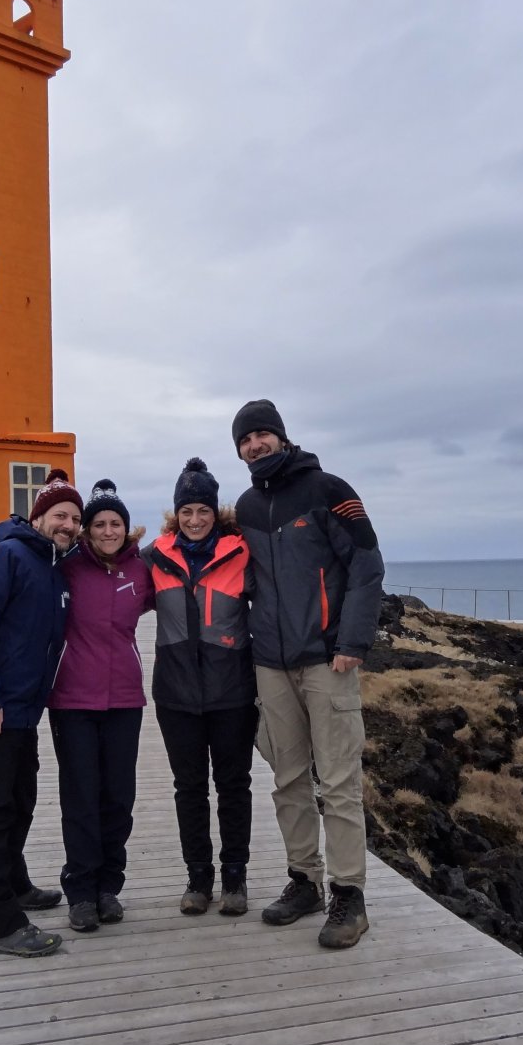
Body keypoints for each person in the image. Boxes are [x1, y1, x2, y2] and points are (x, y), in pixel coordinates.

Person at [232, 400, 384, 949]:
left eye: (262, 435)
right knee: (288, 779)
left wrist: (352, 642)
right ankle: (304, 880)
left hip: (327, 659)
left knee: (339, 781)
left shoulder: (329, 490)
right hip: (270, 662)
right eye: (246, 441)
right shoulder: (247, 506)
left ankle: (350, 894)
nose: (255, 446)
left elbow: (368, 565)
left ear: (281, 436)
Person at [0, 468, 80, 957]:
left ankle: (16, 883)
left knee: (19, 801)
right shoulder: (3, 557)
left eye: (74, 518)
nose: (67, 524)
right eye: (59, 515)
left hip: (22, 712)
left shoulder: (50, 565)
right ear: (38, 516)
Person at [146, 457, 256, 917]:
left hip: (232, 692)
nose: (195, 520)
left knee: (233, 786)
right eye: (187, 511)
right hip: (176, 695)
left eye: (203, 511)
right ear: (177, 514)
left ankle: (235, 879)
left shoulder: (242, 552)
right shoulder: (153, 557)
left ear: (215, 513)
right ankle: (198, 878)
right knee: (188, 788)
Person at [47, 479, 153, 933]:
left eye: (116, 524)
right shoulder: (66, 567)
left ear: (126, 530)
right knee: (81, 797)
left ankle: (109, 886)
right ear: (86, 530)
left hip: (125, 700)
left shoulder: (141, 571)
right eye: (100, 524)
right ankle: (81, 890)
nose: (109, 531)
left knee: (118, 797)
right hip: (72, 698)